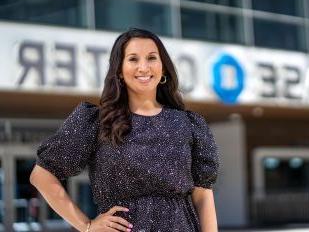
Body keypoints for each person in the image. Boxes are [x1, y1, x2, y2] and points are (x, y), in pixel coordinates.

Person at [29, 28, 219, 232]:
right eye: (133, 59)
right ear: (119, 70)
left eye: (152, 58)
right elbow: (41, 175)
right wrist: (86, 225)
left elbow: (203, 197)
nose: (143, 67)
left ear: (163, 68)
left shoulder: (188, 124)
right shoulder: (97, 121)